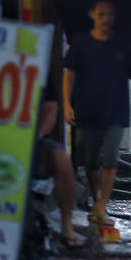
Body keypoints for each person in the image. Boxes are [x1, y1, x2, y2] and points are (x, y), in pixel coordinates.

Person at [63, 0, 131, 227]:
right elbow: (69, 75)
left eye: (110, 15)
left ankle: (102, 205)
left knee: (110, 159)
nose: (106, 19)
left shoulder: (122, 42)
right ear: (92, 14)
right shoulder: (81, 42)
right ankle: (96, 201)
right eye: (101, 14)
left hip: (116, 110)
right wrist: (66, 103)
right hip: (86, 109)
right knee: (90, 162)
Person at [34, 81, 86, 247]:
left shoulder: (42, 75)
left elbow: (50, 113)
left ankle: (66, 225)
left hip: (31, 140)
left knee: (61, 158)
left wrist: (34, 139)